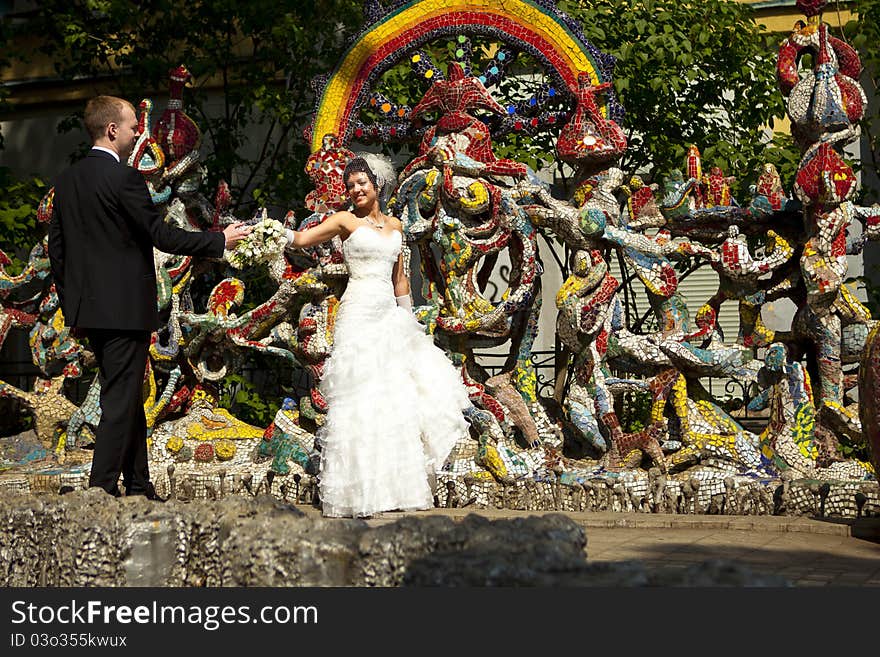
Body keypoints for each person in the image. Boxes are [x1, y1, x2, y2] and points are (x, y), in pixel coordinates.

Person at [47, 95, 252, 500]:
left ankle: (139, 484)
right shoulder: (124, 179)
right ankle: (101, 488)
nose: (137, 132)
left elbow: (57, 249)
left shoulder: (67, 180)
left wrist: (75, 305)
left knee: (126, 395)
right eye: (130, 126)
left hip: (91, 310)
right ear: (111, 130)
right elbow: (161, 236)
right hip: (125, 309)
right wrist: (218, 240)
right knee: (119, 399)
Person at [286, 156, 472, 518]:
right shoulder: (344, 220)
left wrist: (408, 318)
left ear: (377, 185)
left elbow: (400, 278)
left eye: (361, 183)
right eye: (350, 184)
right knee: (359, 395)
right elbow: (301, 239)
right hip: (357, 311)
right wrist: (269, 232)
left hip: (388, 315)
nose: (355, 190)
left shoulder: (396, 225)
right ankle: (356, 491)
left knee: (393, 395)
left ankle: (394, 488)